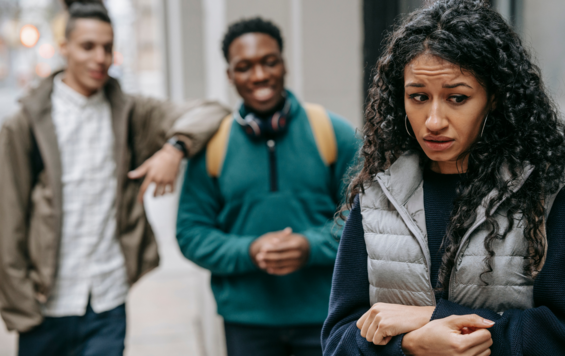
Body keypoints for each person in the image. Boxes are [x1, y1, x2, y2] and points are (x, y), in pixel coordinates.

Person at [322, 0, 565, 355]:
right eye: (418, 97)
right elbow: (336, 342)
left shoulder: (548, 193)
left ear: (494, 97)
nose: (434, 120)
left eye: (457, 98)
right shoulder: (379, 196)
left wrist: (433, 316)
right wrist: (409, 345)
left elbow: (562, 331)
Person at [0, 1, 227, 355]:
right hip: (45, 307)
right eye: (88, 46)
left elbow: (212, 111)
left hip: (107, 303)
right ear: (65, 49)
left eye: (107, 47)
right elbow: (8, 218)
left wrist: (174, 149)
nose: (100, 57)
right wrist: (21, 305)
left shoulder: (131, 111)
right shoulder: (25, 122)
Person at [176, 17, 359, 356]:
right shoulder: (212, 146)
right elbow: (190, 233)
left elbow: (366, 221)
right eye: (244, 67)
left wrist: (309, 246)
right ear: (230, 75)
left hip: (326, 316)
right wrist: (250, 250)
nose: (259, 75)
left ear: (284, 64)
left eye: (269, 62)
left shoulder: (334, 133)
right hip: (246, 325)